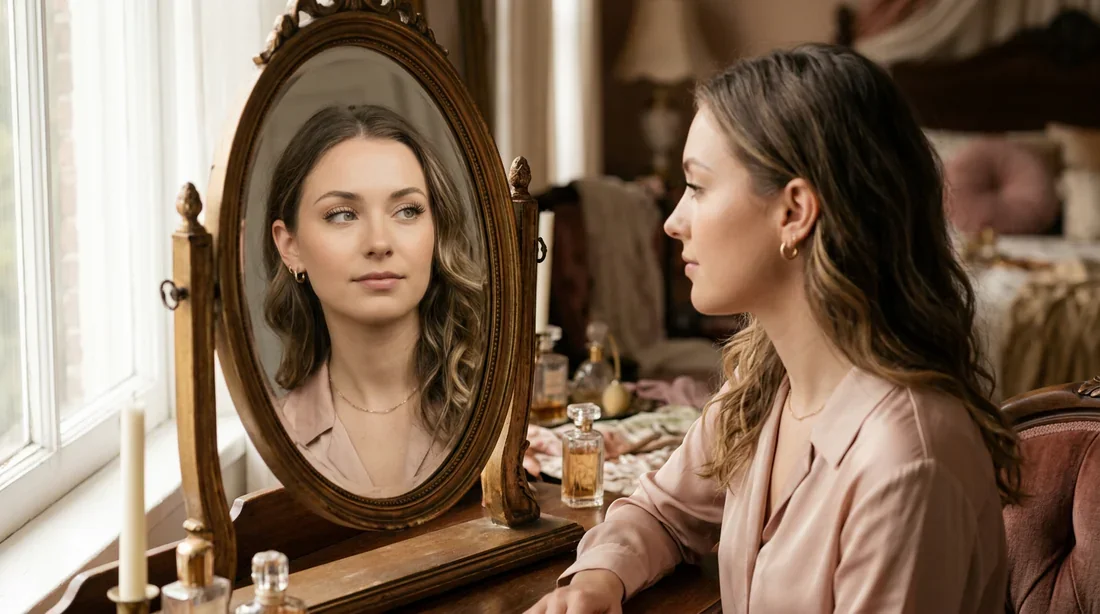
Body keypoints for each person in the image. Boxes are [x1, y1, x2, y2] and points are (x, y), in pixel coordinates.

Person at [527, 44, 1021, 613]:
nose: (672, 221)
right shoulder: (765, 387)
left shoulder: (906, 462)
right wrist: (595, 583)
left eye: (698, 186)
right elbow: (663, 511)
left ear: (794, 212)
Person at [263, 104, 484, 498]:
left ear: (437, 232)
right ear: (290, 246)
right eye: (343, 214)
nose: (380, 243)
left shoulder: (495, 405)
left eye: (407, 210)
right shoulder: (275, 442)